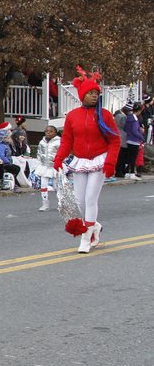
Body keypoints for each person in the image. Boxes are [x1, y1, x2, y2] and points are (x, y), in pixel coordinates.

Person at [52, 68, 120, 254]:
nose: (94, 96)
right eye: (90, 93)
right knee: (80, 201)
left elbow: (114, 140)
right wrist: (59, 158)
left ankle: (86, 237)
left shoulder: (105, 115)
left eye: (96, 93)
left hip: (99, 160)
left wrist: (111, 162)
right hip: (80, 161)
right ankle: (95, 226)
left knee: (90, 199)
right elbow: (67, 141)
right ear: (82, 95)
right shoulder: (73, 116)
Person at [34, 124, 61, 211]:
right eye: (46, 131)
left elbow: (63, 153)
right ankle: (45, 203)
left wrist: (60, 162)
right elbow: (39, 153)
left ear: (55, 133)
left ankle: (61, 203)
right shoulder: (42, 142)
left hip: (54, 166)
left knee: (56, 185)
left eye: (51, 131)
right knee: (43, 185)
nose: (48, 133)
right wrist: (39, 162)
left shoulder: (59, 142)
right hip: (44, 166)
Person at [122, 102, 143, 181]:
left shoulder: (129, 117)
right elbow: (135, 131)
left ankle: (127, 173)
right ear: (139, 110)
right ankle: (132, 173)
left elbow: (125, 128)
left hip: (129, 139)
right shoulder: (134, 119)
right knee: (133, 158)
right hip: (135, 140)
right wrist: (141, 137)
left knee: (129, 157)